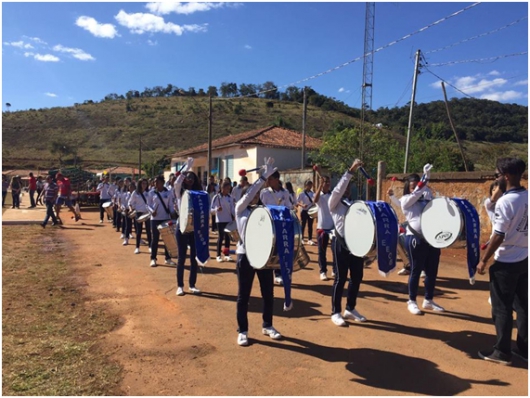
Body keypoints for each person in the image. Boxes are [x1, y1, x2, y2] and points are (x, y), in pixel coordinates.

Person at [477, 158, 527, 365]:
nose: (496, 178)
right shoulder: (526, 196)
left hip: (506, 260)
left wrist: (484, 260)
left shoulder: (507, 201)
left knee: (502, 308)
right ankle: (524, 349)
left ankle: (501, 352)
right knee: (524, 306)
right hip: (525, 258)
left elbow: (498, 235)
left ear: (506, 176)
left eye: (497, 174)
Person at [235, 157, 281, 346]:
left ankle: (267, 325)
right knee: (243, 296)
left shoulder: (263, 211)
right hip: (245, 256)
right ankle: (243, 331)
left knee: (268, 293)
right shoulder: (240, 209)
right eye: (252, 195)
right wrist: (263, 177)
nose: (255, 197)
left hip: (263, 257)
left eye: (257, 195)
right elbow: (250, 193)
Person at [400, 164, 445, 315]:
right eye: (412, 186)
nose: (415, 188)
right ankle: (411, 300)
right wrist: (425, 179)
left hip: (431, 239)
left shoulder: (426, 198)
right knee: (415, 270)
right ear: (408, 188)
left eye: (416, 185)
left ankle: (428, 300)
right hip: (414, 238)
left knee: (432, 271)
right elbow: (416, 192)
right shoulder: (405, 200)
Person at [328, 158, 367, 326]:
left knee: (357, 276)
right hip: (340, 243)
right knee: (340, 278)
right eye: (345, 188)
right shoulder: (334, 203)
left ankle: (350, 308)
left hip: (355, 244)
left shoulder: (354, 204)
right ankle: (335, 312)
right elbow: (338, 190)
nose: (347, 191)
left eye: (349, 190)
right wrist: (351, 170)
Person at [174, 158, 203, 295]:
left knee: (194, 258)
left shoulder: (199, 195)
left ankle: (192, 284)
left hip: (194, 229)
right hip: (182, 228)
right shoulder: (180, 193)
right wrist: (186, 169)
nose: (189, 179)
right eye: (187, 177)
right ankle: (180, 286)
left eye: (192, 177)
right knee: (181, 257)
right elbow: (176, 183)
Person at [260, 169, 294, 285]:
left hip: (281, 224)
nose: (268, 181)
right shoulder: (264, 192)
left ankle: (279, 273)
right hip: (269, 224)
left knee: (280, 249)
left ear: (277, 180)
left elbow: (289, 206)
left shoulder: (285, 193)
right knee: (270, 249)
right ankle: (268, 271)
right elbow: (262, 208)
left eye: (270, 179)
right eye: (268, 179)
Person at [147, 175, 177, 267]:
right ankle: (153, 259)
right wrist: (152, 211)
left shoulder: (168, 193)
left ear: (162, 183)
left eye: (157, 182)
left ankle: (168, 258)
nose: (155, 183)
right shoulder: (151, 192)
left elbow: (171, 205)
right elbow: (148, 205)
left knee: (167, 239)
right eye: (155, 182)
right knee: (155, 239)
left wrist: (173, 213)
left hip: (165, 218)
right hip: (155, 219)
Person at [387, 186, 411, 276]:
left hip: (422, 227)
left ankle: (423, 268)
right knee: (397, 239)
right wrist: (392, 196)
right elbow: (399, 203)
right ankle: (407, 265)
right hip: (410, 225)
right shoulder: (407, 198)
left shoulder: (425, 195)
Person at [314, 173, 333, 281]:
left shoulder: (332, 195)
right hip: (322, 227)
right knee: (322, 251)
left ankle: (335, 270)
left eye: (328, 182)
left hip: (333, 228)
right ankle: (323, 271)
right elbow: (315, 200)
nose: (328, 184)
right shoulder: (319, 196)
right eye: (326, 182)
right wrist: (320, 186)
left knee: (336, 251)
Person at [211, 181, 235, 262]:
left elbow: (232, 209)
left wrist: (235, 215)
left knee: (228, 237)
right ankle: (218, 255)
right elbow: (211, 210)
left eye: (229, 188)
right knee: (221, 237)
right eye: (227, 188)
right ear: (222, 188)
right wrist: (217, 210)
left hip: (228, 220)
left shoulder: (230, 198)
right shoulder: (216, 197)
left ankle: (227, 254)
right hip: (220, 220)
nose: (228, 190)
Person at [129, 178, 152, 255]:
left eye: (145, 183)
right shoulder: (135, 193)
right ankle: (137, 247)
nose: (144, 185)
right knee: (139, 231)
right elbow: (130, 202)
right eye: (142, 183)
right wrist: (131, 208)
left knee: (149, 231)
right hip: (139, 213)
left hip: (147, 213)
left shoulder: (149, 192)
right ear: (139, 184)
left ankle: (150, 247)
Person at [297, 180, 315, 245]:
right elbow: (297, 201)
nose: (310, 186)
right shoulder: (302, 193)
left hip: (311, 211)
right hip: (304, 211)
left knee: (310, 225)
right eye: (309, 185)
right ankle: (302, 238)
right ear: (306, 185)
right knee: (303, 225)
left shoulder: (313, 194)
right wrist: (302, 205)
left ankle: (310, 239)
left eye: (311, 185)